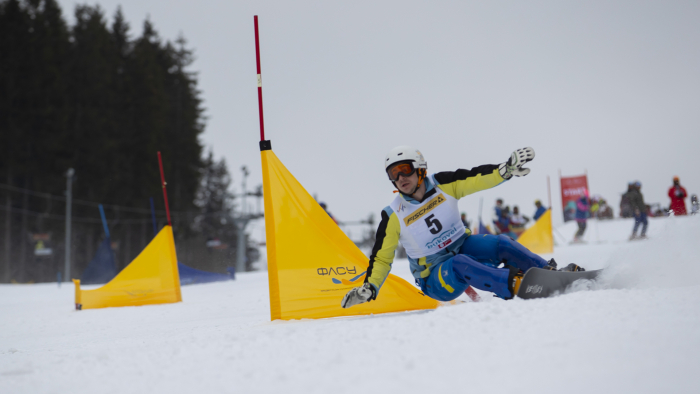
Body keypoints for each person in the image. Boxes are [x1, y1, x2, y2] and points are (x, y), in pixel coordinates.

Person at [340, 146, 584, 308]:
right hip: (434, 277)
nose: (400, 178)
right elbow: (382, 259)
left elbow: (476, 178)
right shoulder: (393, 215)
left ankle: (550, 273)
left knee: (501, 243)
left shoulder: (444, 184)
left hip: (462, 246)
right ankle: (518, 285)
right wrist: (370, 288)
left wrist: (505, 171)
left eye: (405, 169)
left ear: (420, 168)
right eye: (394, 174)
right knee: (458, 264)